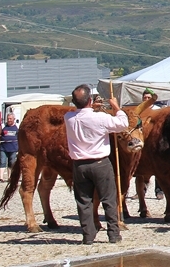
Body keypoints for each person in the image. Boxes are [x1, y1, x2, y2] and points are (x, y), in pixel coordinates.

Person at [64, 84, 128, 245]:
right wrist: (115, 107)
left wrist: (91, 107)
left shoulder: (68, 118)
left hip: (79, 165)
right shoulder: (100, 118)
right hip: (100, 163)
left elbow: (83, 114)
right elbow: (123, 124)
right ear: (90, 100)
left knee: (84, 202)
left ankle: (88, 236)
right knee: (108, 199)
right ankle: (113, 234)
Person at [0, 113, 19, 182]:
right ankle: (1, 178)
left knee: (11, 163)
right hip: (3, 147)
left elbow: (20, 137)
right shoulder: (3, 126)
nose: (9, 120)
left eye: (10, 119)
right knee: (2, 162)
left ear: (14, 119)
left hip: (13, 148)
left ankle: (9, 177)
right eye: (8, 119)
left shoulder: (17, 127)